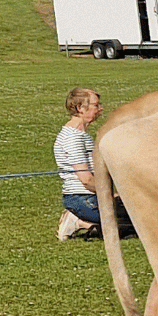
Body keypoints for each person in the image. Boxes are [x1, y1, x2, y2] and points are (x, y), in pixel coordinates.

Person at [54, 88, 134, 240]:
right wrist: (111, 194)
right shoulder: (73, 138)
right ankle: (79, 221)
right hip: (82, 199)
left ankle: (90, 224)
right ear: (80, 108)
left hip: (92, 196)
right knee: (135, 224)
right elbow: (86, 179)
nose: (100, 109)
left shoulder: (82, 135)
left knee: (139, 217)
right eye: (96, 105)